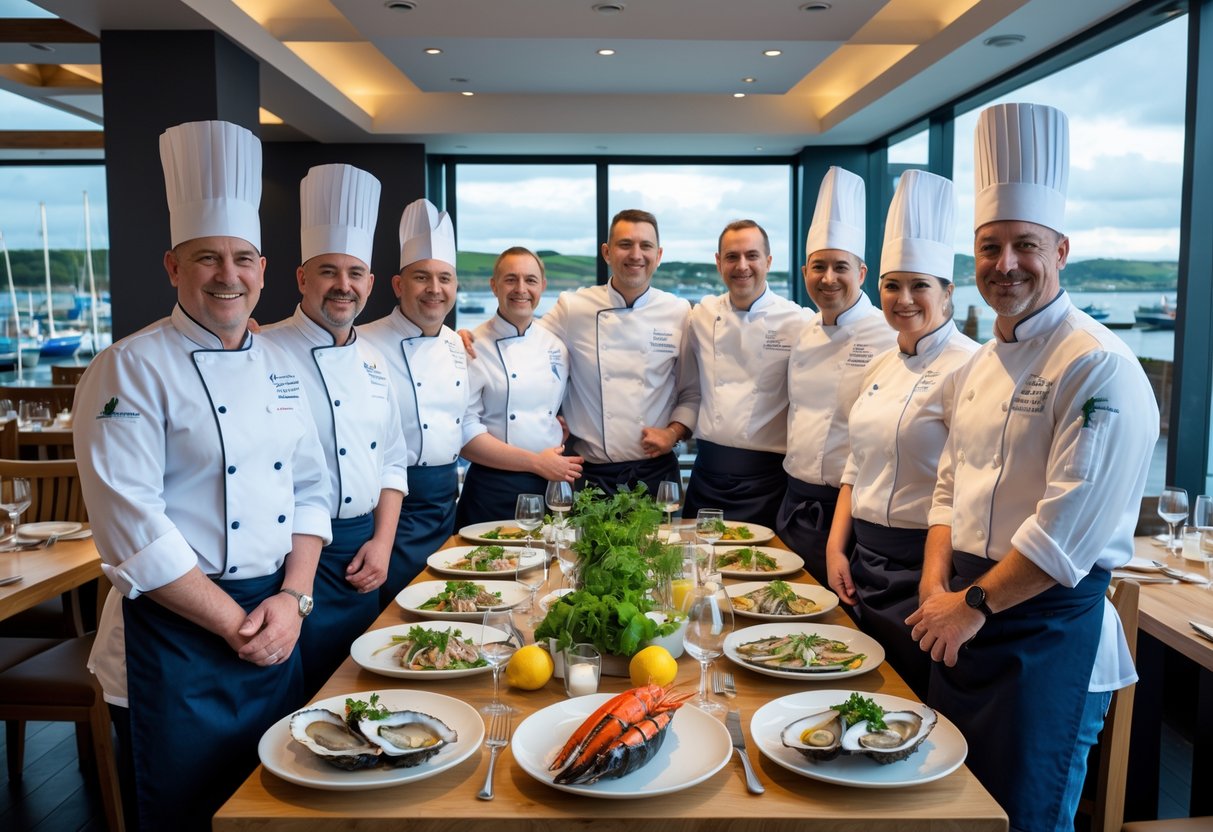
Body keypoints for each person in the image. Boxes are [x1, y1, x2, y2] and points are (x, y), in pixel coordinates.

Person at [906, 103, 1158, 832]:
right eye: (989, 247)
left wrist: (970, 604)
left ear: (1061, 249)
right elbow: (949, 481)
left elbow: (1065, 536)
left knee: (1025, 816)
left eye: (1025, 246)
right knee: (952, 809)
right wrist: (934, 584)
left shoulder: (1097, 365)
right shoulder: (983, 360)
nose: (1005, 265)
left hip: (1042, 634)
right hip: (963, 615)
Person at [74, 120, 332, 832]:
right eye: (206, 258)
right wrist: (238, 625)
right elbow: (133, 528)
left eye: (242, 258)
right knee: (186, 809)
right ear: (171, 266)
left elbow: (311, 489)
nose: (227, 275)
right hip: (177, 630)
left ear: (264, 268)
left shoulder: (280, 363)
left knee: (274, 805)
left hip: (274, 618)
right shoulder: (128, 367)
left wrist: (293, 600)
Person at [823, 170, 977, 698]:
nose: (903, 298)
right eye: (892, 285)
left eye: (920, 286)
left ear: (948, 291)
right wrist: (836, 548)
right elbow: (854, 466)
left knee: (910, 706)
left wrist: (934, 584)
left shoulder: (970, 368)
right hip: (865, 564)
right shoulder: (882, 364)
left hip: (926, 571)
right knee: (863, 696)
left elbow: (962, 491)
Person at [260, 163, 409, 695]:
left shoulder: (373, 360)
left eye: (354, 273)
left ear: (369, 283)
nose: (343, 286)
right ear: (302, 278)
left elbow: (392, 458)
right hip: (290, 558)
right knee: (296, 695)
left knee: (358, 688)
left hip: (361, 551)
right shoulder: (263, 350)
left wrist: (383, 542)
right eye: (328, 271)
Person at [777, 167, 896, 588]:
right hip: (793, 503)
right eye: (818, 266)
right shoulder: (803, 332)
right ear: (805, 270)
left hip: (848, 514)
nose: (828, 278)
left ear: (862, 273)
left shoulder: (890, 335)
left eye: (840, 267)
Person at [537, 208, 699, 496]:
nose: (636, 254)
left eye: (645, 246)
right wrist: (478, 337)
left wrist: (672, 433)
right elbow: (528, 348)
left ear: (658, 255)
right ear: (607, 252)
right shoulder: (573, 307)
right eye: (625, 245)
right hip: (590, 475)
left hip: (656, 473)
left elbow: (692, 391)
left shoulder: (678, 311)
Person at [361, 198, 471, 605]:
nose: (435, 289)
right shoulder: (363, 341)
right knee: (392, 608)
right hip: (390, 507)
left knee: (442, 606)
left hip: (446, 501)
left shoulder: (458, 345)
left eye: (445, 278)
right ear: (397, 285)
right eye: (422, 277)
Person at [680, 219, 804, 527]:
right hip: (707, 472)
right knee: (697, 567)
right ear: (718, 262)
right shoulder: (701, 314)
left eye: (752, 255)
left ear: (769, 261)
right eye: (732, 257)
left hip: (768, 480)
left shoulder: (798, 322)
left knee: (761, 568)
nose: (742, 266)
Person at [455, 246, 581, 525]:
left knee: (549, 566)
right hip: (491, 487)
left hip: (549, 483)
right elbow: (464, 435)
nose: (520, 289)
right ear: (494, 285)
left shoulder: (556, 347)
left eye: (530, 280)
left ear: (543, 286)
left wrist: (558, 432)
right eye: (510, 279)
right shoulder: (471, 345)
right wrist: (537, 462)